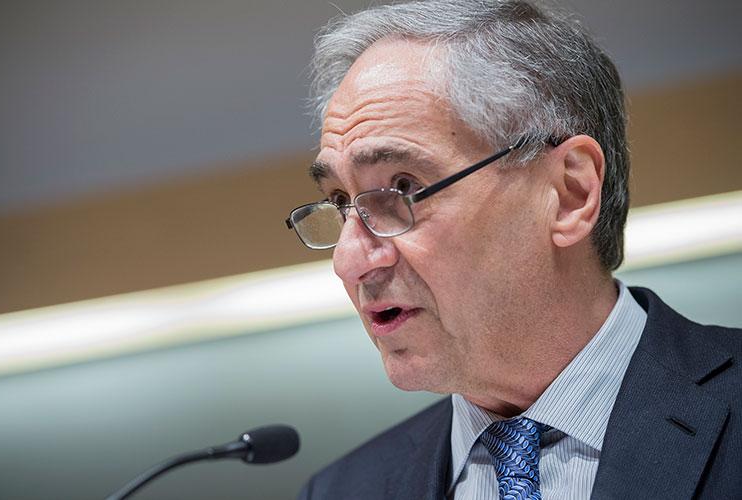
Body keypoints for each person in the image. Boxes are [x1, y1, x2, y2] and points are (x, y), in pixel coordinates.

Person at [285, 1, 742, 498]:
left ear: (569, 193)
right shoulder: (341, 491)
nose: (348, 261)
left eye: (402, 188)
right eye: (339, 201)